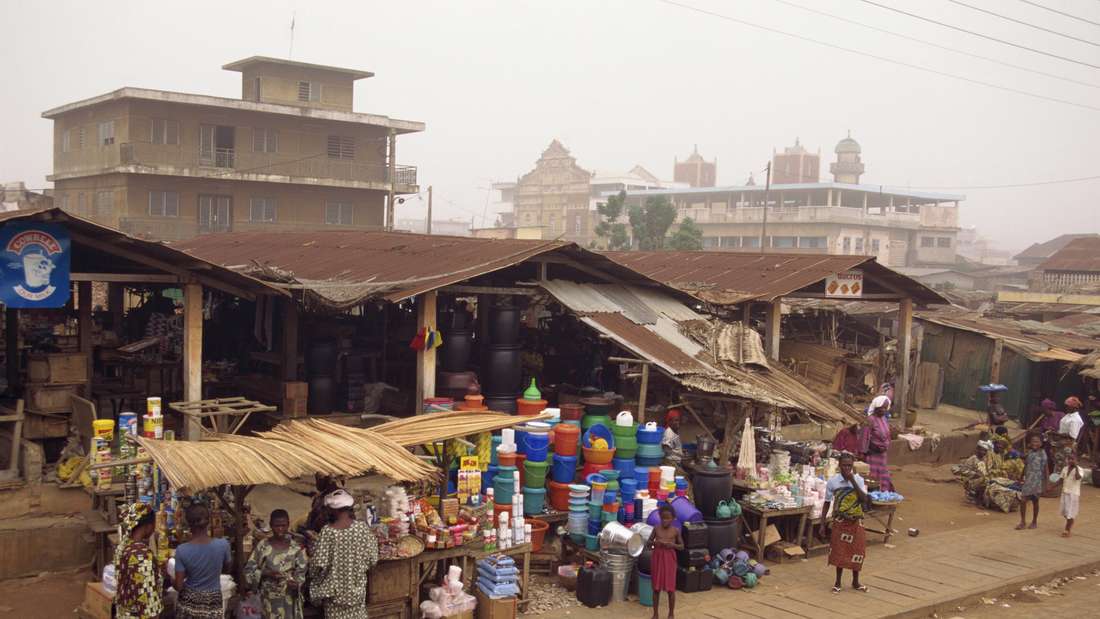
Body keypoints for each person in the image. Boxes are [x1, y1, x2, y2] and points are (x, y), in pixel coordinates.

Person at [309, 489, 379, 619]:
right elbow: (373, 559)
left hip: (334, 596)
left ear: (334, 510)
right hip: (356, 594)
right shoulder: (362, 529)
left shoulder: (327, 532)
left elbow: (317, 565)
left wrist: (314, 580)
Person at [246, 509, 308, 619]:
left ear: (288, 525)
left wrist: (296, 583)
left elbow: (301, 573)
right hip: (267, 601)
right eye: (276, 526)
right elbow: (248, 571)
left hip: (288, 601)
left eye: (283, 526)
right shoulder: (263, 546)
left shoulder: (296, 548)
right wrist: (265, 573)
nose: (280, 529)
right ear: (270, 525)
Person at [175, 504, 232, 619]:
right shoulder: (223, 545)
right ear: (209, 522)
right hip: (213, 601)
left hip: (189, 601)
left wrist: (171, 580)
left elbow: (179, 586)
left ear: (188, 524)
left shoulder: (182, 550)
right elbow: (227, 569)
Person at [823, 453, 870, 593]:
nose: (847, 468)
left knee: (858, 551)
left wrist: (853, 481)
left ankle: (856, 581)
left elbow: (863, 499)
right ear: (839, 465)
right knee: (840, 551)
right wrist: (822, 523)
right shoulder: (833, 482)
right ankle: (837, 582)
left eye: (850, 465)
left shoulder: (859, 480)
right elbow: (826, 503)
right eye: (844, 465)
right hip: (840, 521)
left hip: (856, 521)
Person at [114, 503, 163, 619]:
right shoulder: (142, 555)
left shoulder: (124, 546)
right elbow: (147, 600)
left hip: (123, 613)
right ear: (148, 526)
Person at [645, 504, 683, 619]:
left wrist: (672, 545)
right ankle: (655, 614)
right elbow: (648, 543)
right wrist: (655, 543)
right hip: (657, 558)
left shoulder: (675, 531)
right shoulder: (656, 528)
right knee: (656, 588)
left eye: (668, 518)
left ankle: (671, 614)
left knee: (670, 589)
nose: (665, 521)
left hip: (670, 559)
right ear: (660, 517)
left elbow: (682, 546)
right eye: (663, 518)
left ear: (673, 518)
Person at [862, 396, 894, 492]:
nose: (883, 410)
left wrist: (886, 445)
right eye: (882, 408)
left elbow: (887, 434)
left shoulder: (884, 419)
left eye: (885, 408)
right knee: (872, 477)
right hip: (872, 454)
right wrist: (863, 452)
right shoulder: (870, 420)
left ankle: (883, 493)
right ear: (876, 407)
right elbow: (864, 437)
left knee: (883, 476)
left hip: (882, 455)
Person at [1017, 433, 1047, 530]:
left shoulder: (1043, 454)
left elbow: (1046, 469)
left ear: (1041, 443)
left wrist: (1047, 483)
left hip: (1037, 480)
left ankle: (1034, 521)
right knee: (1023, 500)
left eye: (1037, 441)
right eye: (1033, 441)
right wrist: (1021, 477)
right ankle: (1023, 521)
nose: (1034, 443)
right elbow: (1026, 465)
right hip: (1028, 479)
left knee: (1035, 501)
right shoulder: (1029, 453)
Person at [1060, 451, 1084, 538]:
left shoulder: (1080, 470)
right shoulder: (1065, 468)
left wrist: (1076, 467)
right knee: (1065, 512)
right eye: (1069, 459)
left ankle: (1067, 529)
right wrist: (1051, 487)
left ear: (1077, 460)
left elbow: (1078, 477)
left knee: (1070, 511)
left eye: (1073, 459)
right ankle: (1071, 521)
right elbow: (1061, 479)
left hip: (1073, 494)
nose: (1071, 460)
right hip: (1064, 492)